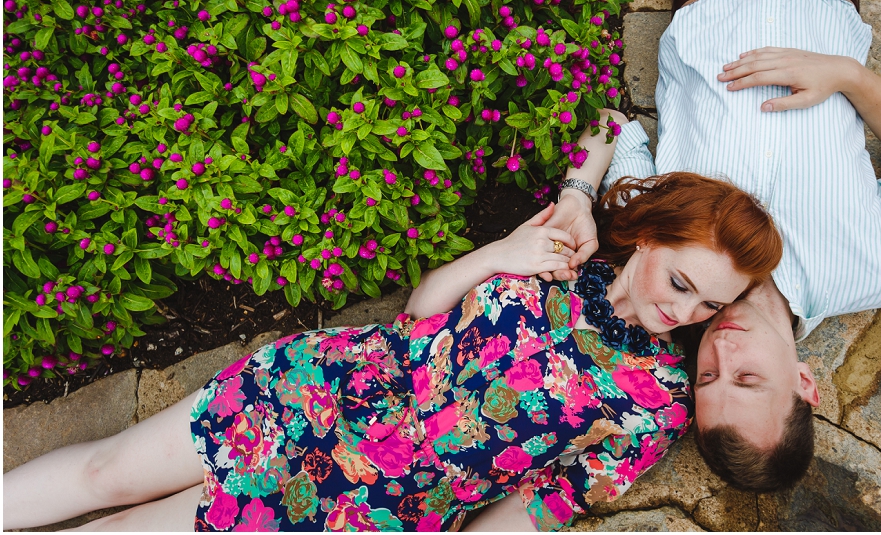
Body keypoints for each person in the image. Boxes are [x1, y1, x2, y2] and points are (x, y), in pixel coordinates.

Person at [3, 172, 782, 532]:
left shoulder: (655, 402)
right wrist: (512, 243)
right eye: (680, 281)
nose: (681, 312)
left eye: (707, 304)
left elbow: (547, 502)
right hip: (316, 389)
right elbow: (422, 309)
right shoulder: (564, 253)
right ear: (650, 233)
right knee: (107, 470)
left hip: (361, 503)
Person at [541, 0, 881, 493]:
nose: (721, 355)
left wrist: (575, 196)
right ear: (805, 385)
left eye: (707, 380)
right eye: (749, 379)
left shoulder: (666, 266)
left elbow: (616, 133)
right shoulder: (880, 272)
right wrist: (845, 76)